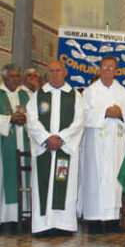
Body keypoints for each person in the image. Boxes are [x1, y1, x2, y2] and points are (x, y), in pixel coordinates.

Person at [26, 60, 85, 236]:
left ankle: (63, 225)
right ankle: (42, 225)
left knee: (64, 188)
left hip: (64, 148)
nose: (54, 74)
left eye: (58, 70)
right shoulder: (39, 95)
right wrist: (46, 138)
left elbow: (79, 122)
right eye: (50, 71)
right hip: (44, 149)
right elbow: (32, 119)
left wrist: (60, 139)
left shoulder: (75, 95)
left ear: (65, 72)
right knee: (42, 185)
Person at [79, 55, 125, 232]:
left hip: (115, 144)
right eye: (104, 67)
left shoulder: (124, 93)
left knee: (113, 180)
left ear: (116, 71)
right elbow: (82, 115)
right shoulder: (89, 92)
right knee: (94, 178)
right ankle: (94, 220)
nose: (108, 71)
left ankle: (112, 220)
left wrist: (120, 114)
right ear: (99, 69)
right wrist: (104, 113)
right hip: (95, 143)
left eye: (111, 68)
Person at [0, 63, 31, 228]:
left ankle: (22, 216)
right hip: (2, 143)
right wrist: (9, 119)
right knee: (1, 178)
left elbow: (36, 118)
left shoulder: (27, 95)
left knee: (23, 180)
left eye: (17, 76)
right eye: (11, 76)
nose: (15, 79)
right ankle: (0, 218)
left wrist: (25, 119)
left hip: (23, 143)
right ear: (4, 77)